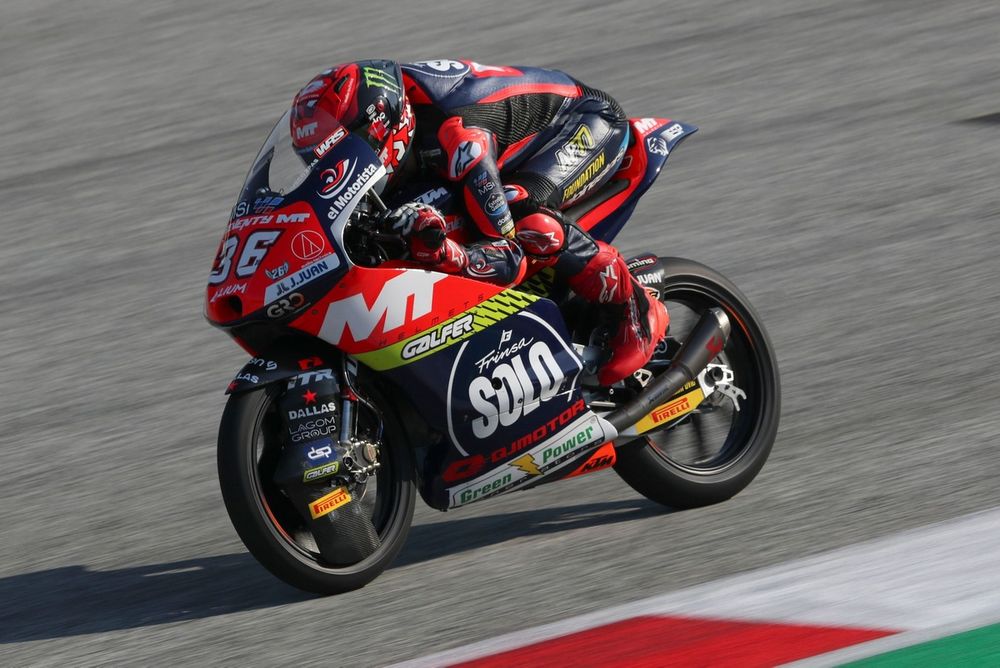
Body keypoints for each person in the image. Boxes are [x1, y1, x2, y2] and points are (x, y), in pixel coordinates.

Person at [289, 59, 667, 385]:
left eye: (344, 150)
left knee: (525, 213)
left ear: (382, 125)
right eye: (317, 159)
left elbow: (509, 256)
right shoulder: (392, 118)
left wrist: (444, 253)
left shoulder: (460, 137)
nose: (333, 165)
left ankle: (633, 309)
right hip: (498, 145)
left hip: (585, 123)